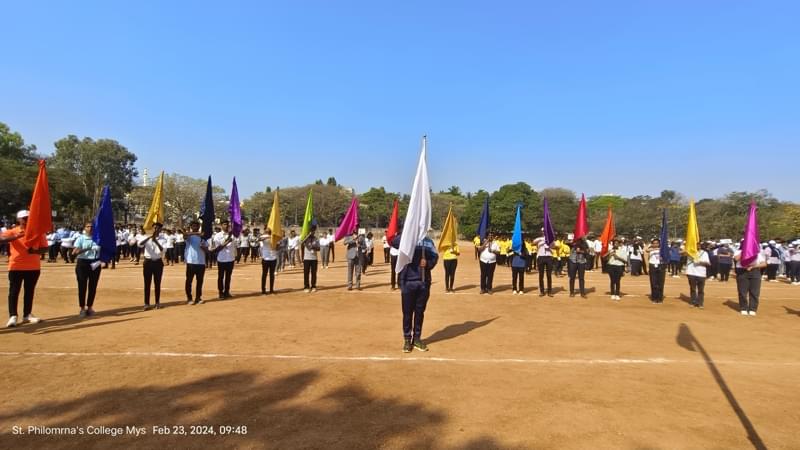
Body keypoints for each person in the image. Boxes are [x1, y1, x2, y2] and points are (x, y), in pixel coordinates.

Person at [392, 232, 438, 353]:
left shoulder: (428, 242)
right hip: (407, 282)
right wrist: (407, 232)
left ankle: (417, 338)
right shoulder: (405, 239)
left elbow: (435, 256)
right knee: (407, 313)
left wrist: (428, 263)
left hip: (423, 282)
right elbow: (394, 242)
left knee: (419, 312)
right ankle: (407, 339)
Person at [2, 210, 47, 327]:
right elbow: (1, 240)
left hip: (33, 267)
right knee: (14, 291)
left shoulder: (38, 232)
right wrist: (17, 236)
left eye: (29, 217)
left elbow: (45, 248)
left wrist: (35, 251)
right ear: (19, 220)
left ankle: (27, 315)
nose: (27, 220)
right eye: (24, 218)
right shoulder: (12, 231)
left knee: (29, 291)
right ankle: (13, 316)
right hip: (16, 266)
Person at [72, 222, 102, 317]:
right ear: (84, 228)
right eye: (88, 226)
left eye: (92, 226)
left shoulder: (98, 238)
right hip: (83, 263)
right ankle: (82, 308)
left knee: (93, 286)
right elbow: (75, 252)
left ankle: (90, 307)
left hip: (95, 263)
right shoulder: (81, 238)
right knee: (82, 286)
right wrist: (88, 248)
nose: (90, 228)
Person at [734, 242, 767, 315]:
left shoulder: (757, 253)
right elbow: (736, 258)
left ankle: (752, 309)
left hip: (755, 272)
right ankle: (743, 308)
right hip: (742, 272)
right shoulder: (738, 251)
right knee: (742, 292)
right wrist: (745, 251)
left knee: (755, 292)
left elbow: (764, 264)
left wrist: (754, 266)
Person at [138, 222, 165, 310]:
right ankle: (146, 303)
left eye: (158, 228)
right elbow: (140, 244)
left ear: (160, 229)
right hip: (148, 262)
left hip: (158, 262)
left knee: (157, 283)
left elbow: (163, 250)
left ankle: (157, 302)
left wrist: (156, 241)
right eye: (154, 228)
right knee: (147, 283)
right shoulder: (146, 237)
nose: (155, 229)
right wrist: (149, 238)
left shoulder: (163, 239)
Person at [183, 221, 207, 304]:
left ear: (199, 226)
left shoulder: (203, 238)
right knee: (189, 281)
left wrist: (203, 247)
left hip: (201, 262)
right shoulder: (189, 237)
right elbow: (185, 235)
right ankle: (189, 298)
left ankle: (198, 297)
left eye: (196, 226)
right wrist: (197, 233)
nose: (195, 227)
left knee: (200, 281)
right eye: (193, 226)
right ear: (191, 227)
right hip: (191, 262)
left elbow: (206, 250)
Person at [211, 220, 236, 299]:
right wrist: (228, 240)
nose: (226, 226)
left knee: (228, 276)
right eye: (225, 224)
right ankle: (220, 292)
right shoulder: (217, 236)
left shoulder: (233, 235)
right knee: (221, 277)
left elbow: (235, 245)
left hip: (230, 258)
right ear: (221, 225)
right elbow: (218, 248)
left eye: (227, 224)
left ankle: (227, 292)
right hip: (221, 259)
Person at [685, 242, 710, 309]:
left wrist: (700, 262)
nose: (697, 246)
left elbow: (708, 263)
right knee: (693, 289)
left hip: (701, 274)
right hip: (691, 273)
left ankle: (700, 303)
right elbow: (681, 253)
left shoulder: (704, 253)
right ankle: (693, 302)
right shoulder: (689, 252)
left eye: (699, 245)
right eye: (696, 245)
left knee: (701, 290)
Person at [644, 238, 666, 303]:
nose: (655, 244)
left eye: (657, 243)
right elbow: (646, 250)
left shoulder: (663, 249)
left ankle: (660, 298)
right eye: (654, 243)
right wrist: (647, 267)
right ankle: (654, 297)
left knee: (660, 283)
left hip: (661, 266)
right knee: (653, 283)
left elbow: (667, 252)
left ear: (659, 243)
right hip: (652, 266)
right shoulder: (650, 249)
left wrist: (661, 248)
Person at [258, 228, 278, 294]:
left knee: (272, 275)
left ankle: (271, 289)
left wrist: (277, 243)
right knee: (264, 274)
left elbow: (277, 246)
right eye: (267, 229)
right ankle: (263, 290)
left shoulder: (275, 237)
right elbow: (259, 240)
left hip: (273, 258)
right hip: (265, 258)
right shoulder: (263, 236)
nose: (268, 230)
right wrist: (268, 237)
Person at [302, 227, 320, 292]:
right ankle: (306, 286)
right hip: (306, 258)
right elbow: (302, 242)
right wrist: (308, 235)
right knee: (306, 273)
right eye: (311, 231)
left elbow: (319, 248)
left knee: (314, 273)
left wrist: (314, 247)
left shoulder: (316, 239)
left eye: (313, 231)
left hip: (314, 258)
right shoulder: (305, 239)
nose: (312, 232)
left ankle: (313, 286)